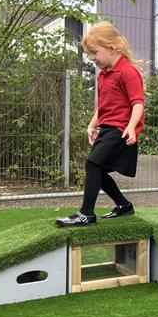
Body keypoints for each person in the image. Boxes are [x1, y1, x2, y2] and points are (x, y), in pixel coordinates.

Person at [56, 22, 144, 227]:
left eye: (94, 52)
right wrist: (92, 124)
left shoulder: (127, 72)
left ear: (113, 47)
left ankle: (86, 214)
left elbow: (138, 103)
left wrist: (131, 127)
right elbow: (103, 105)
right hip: (107, 128)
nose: (92, 58)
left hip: (120, 129)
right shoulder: (104, 74)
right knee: (98, 170)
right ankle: (123, 205)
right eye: (89, 55)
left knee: (92, 164)